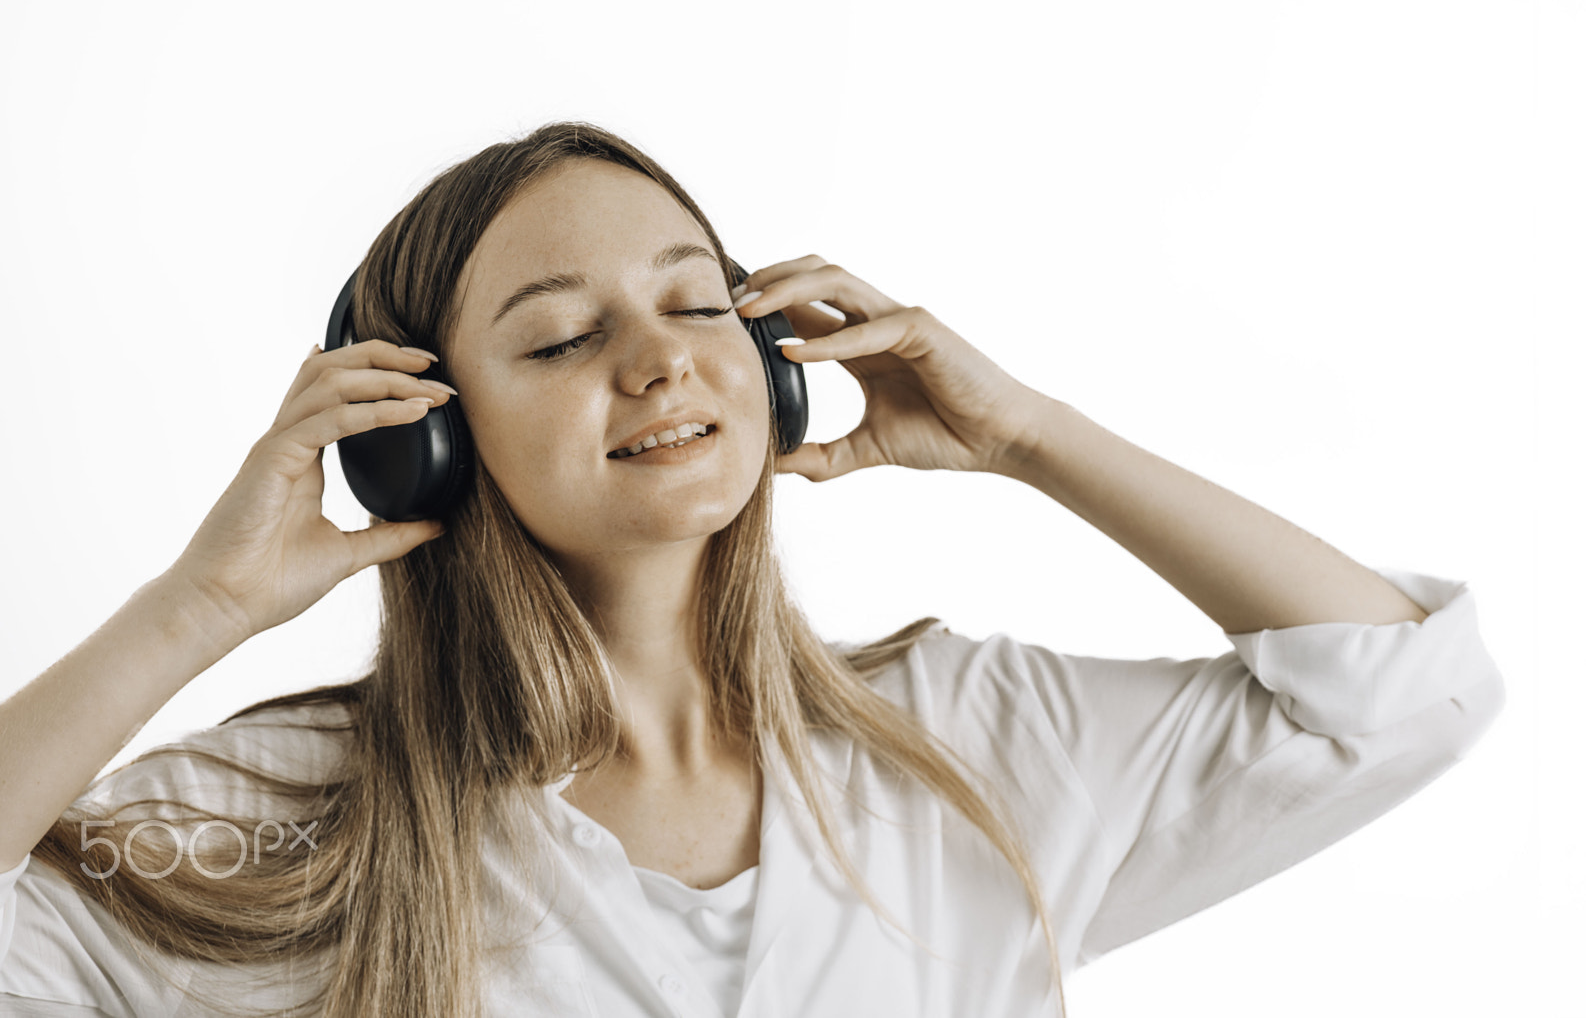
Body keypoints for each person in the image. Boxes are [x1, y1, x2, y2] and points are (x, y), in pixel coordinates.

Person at [0, 121, 1506, 1018]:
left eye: (697, 303)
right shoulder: (287, 819)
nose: (660, 357)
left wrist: (1030, 436)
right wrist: (188, 614)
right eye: (562, 335)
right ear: (424, 444)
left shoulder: (964, 746)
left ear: (776, 368)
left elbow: (1400, 693)